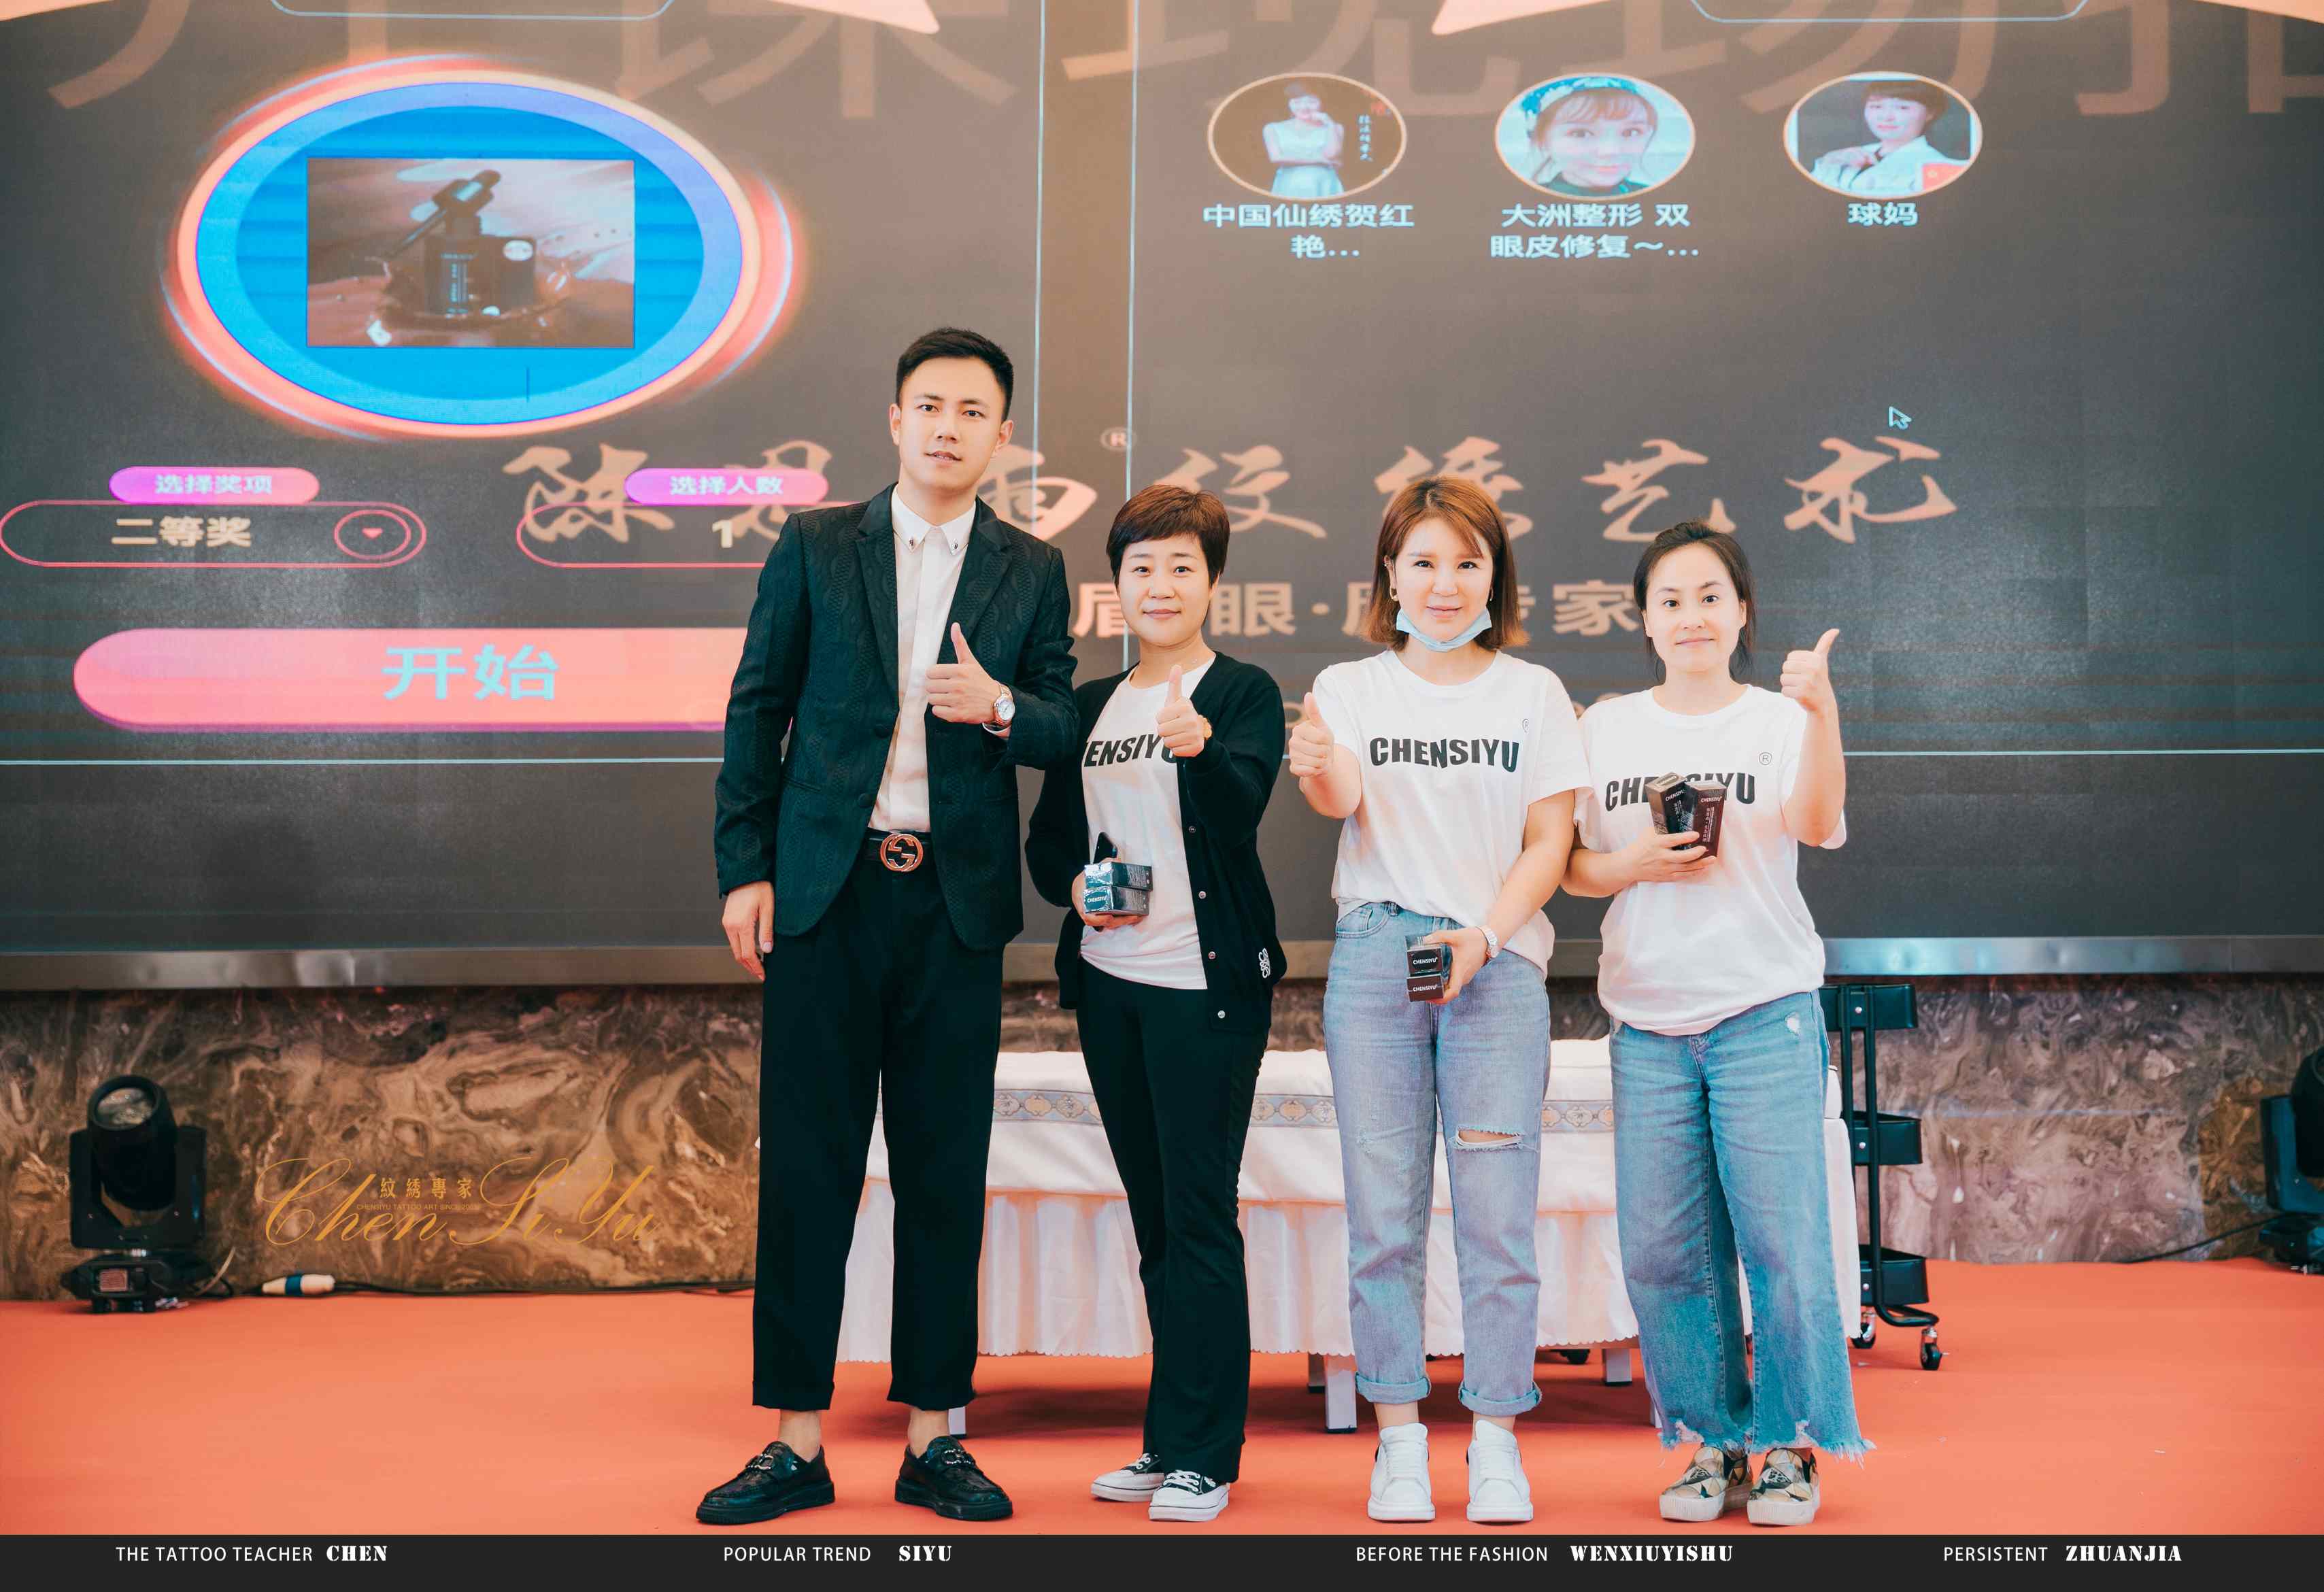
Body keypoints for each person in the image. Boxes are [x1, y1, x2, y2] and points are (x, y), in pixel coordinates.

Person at [697, 327, 1077, 1527]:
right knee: (807, 1170)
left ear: (1002, 435)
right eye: (930, 405)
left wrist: (1001, 706)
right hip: (827, 893)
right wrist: (745, 869)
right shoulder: (817, 544)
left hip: (954, 907)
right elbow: (757, 706)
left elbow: (1062, 722)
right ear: (895, 419)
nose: (948, 427)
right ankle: (794, 1440)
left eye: (972, 411)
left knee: (942, 1175)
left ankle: (933, 1436)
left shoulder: (1030, 567)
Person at [1290, 475, 1589, 1525]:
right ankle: (1400, 1442)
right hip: (1379, 960)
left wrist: (1486, 937)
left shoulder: (1533, 694)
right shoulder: (1349, 686)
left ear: (1495, 575)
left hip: (1494, 964)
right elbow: (1340, 798)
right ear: (1390, 573)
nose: (1445, 583)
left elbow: (1549, 841)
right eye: (1423, 561)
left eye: (1467, 562)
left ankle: (1497, 1441)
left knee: (1498, 1217)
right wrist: (1314, 767)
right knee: (1382, 1219)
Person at [1561, 520, 1868, 1528]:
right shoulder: (1606, 728)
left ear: (1741, 611)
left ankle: (1789, 1447)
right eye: (1670, 600)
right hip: (1647, 1023)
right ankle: (1710, 1441)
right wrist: (1634, 864)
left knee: (1783, 1244)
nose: (1690, 616)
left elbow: (1817, 824)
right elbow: (1572, 867)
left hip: (1762, 1014)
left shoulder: (1777, 718)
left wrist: (1822, 711)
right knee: (1663, 1253)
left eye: (1709, 596)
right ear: (1644, 621)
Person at [1024, 485, 1287, 1525]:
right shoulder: (1092, 706)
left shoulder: (1243, 691)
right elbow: (1050, 843)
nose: (1161, 585)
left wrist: (1197, 748)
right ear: (1117, 586)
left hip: (1205, 992)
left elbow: (1239, 812)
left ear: (1212, 582)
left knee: (1199, 1217)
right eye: (1142, 567)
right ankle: (1168, 1438)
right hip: (1113, 989)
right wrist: (1079, 886)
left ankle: (1206, 1457)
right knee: (1154, 1222)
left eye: (1182, 566)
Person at [1808, 79, 1964, 196]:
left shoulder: (1935, 167)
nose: (1886, 117)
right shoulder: (1847, 155)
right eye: (1876, 106)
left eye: (1903, 107)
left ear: (1930, 113)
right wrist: (1830, 161)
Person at [1522, 78, 1663, 197]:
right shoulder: (1527, 203)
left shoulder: (1659, 200)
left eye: (1631, 132)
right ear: (1542, 139)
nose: (1610, 151)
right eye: (1581, 133)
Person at [1264, 81, 1345, 199]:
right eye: (1297, 102)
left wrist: (1330, 123)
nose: (1304, 107)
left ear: (1322, 103)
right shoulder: (1273, 128)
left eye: (1312, 102)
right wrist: (1318, 161)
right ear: (1289, 104)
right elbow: (1276, 158)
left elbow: (1331, 154)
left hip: (1324, 183)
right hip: (1290, 183)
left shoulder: (1335, 127)